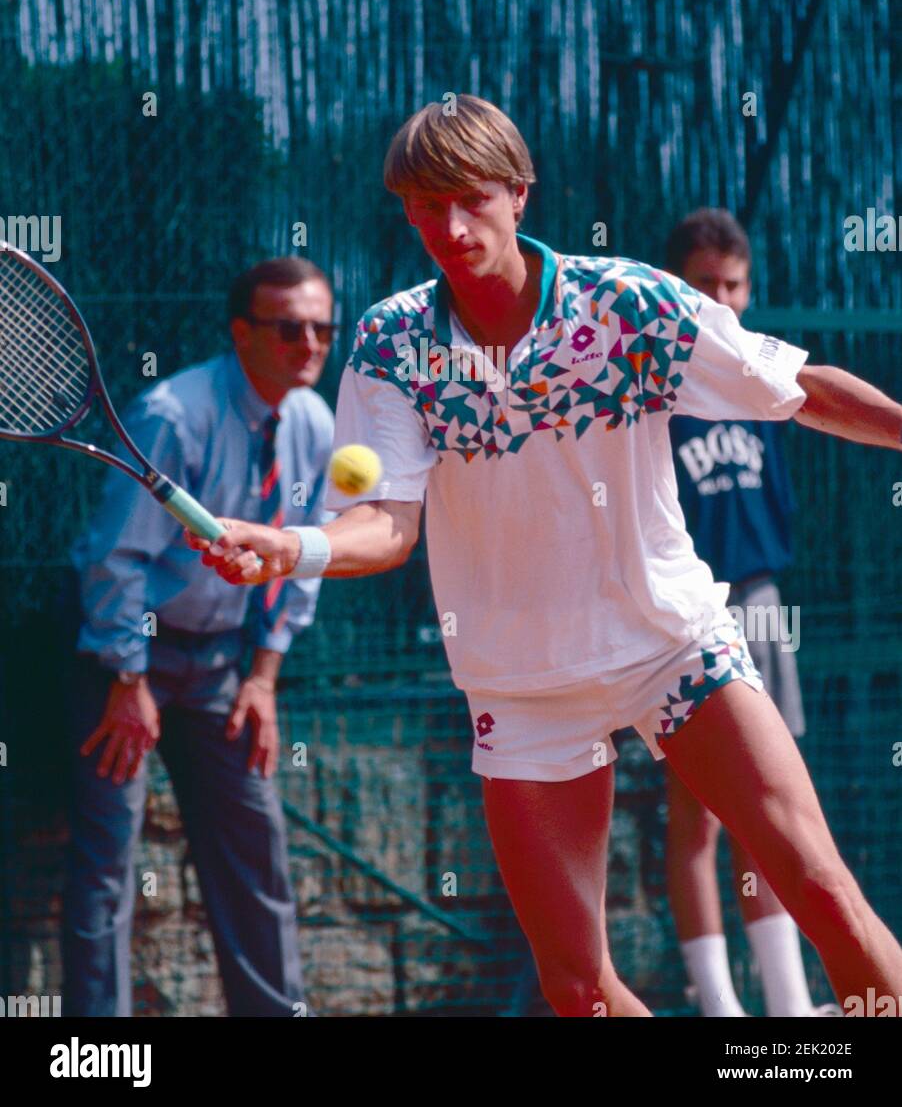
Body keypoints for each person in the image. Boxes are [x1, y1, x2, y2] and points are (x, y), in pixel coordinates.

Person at [188, 96, 902, 1017]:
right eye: (422, 205)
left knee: (825, 895)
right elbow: (389, 526)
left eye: (469, 199)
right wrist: (292, 546)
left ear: (519, 195)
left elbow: (797, 388)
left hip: (672, 648)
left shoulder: (630, 304)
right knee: (578, 991)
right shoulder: (391, 342)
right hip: (521, 686)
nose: (447, 227)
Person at [63, 256, 336, 1017]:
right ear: (241, 333)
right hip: (124, 663)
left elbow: (305, 555)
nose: (310, 343)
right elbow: (116, 555)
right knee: (107, 866)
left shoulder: (316, 423)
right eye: (289, 328)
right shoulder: (174, 414)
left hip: (223, 669)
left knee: (257, 850)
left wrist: (264, 677)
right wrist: (127, 680)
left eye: (322, 327)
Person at [665, 209, 838, 1017]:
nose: (723, 300)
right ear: (677, 289)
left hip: (761, 605)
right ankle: (720, 1010)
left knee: (771, 811)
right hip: (686, 616)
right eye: (706, 284)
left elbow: (778, 513)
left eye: (734, 284)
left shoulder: (763, 388)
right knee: (696, 822)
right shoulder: (655, 389)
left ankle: (791, 1007)